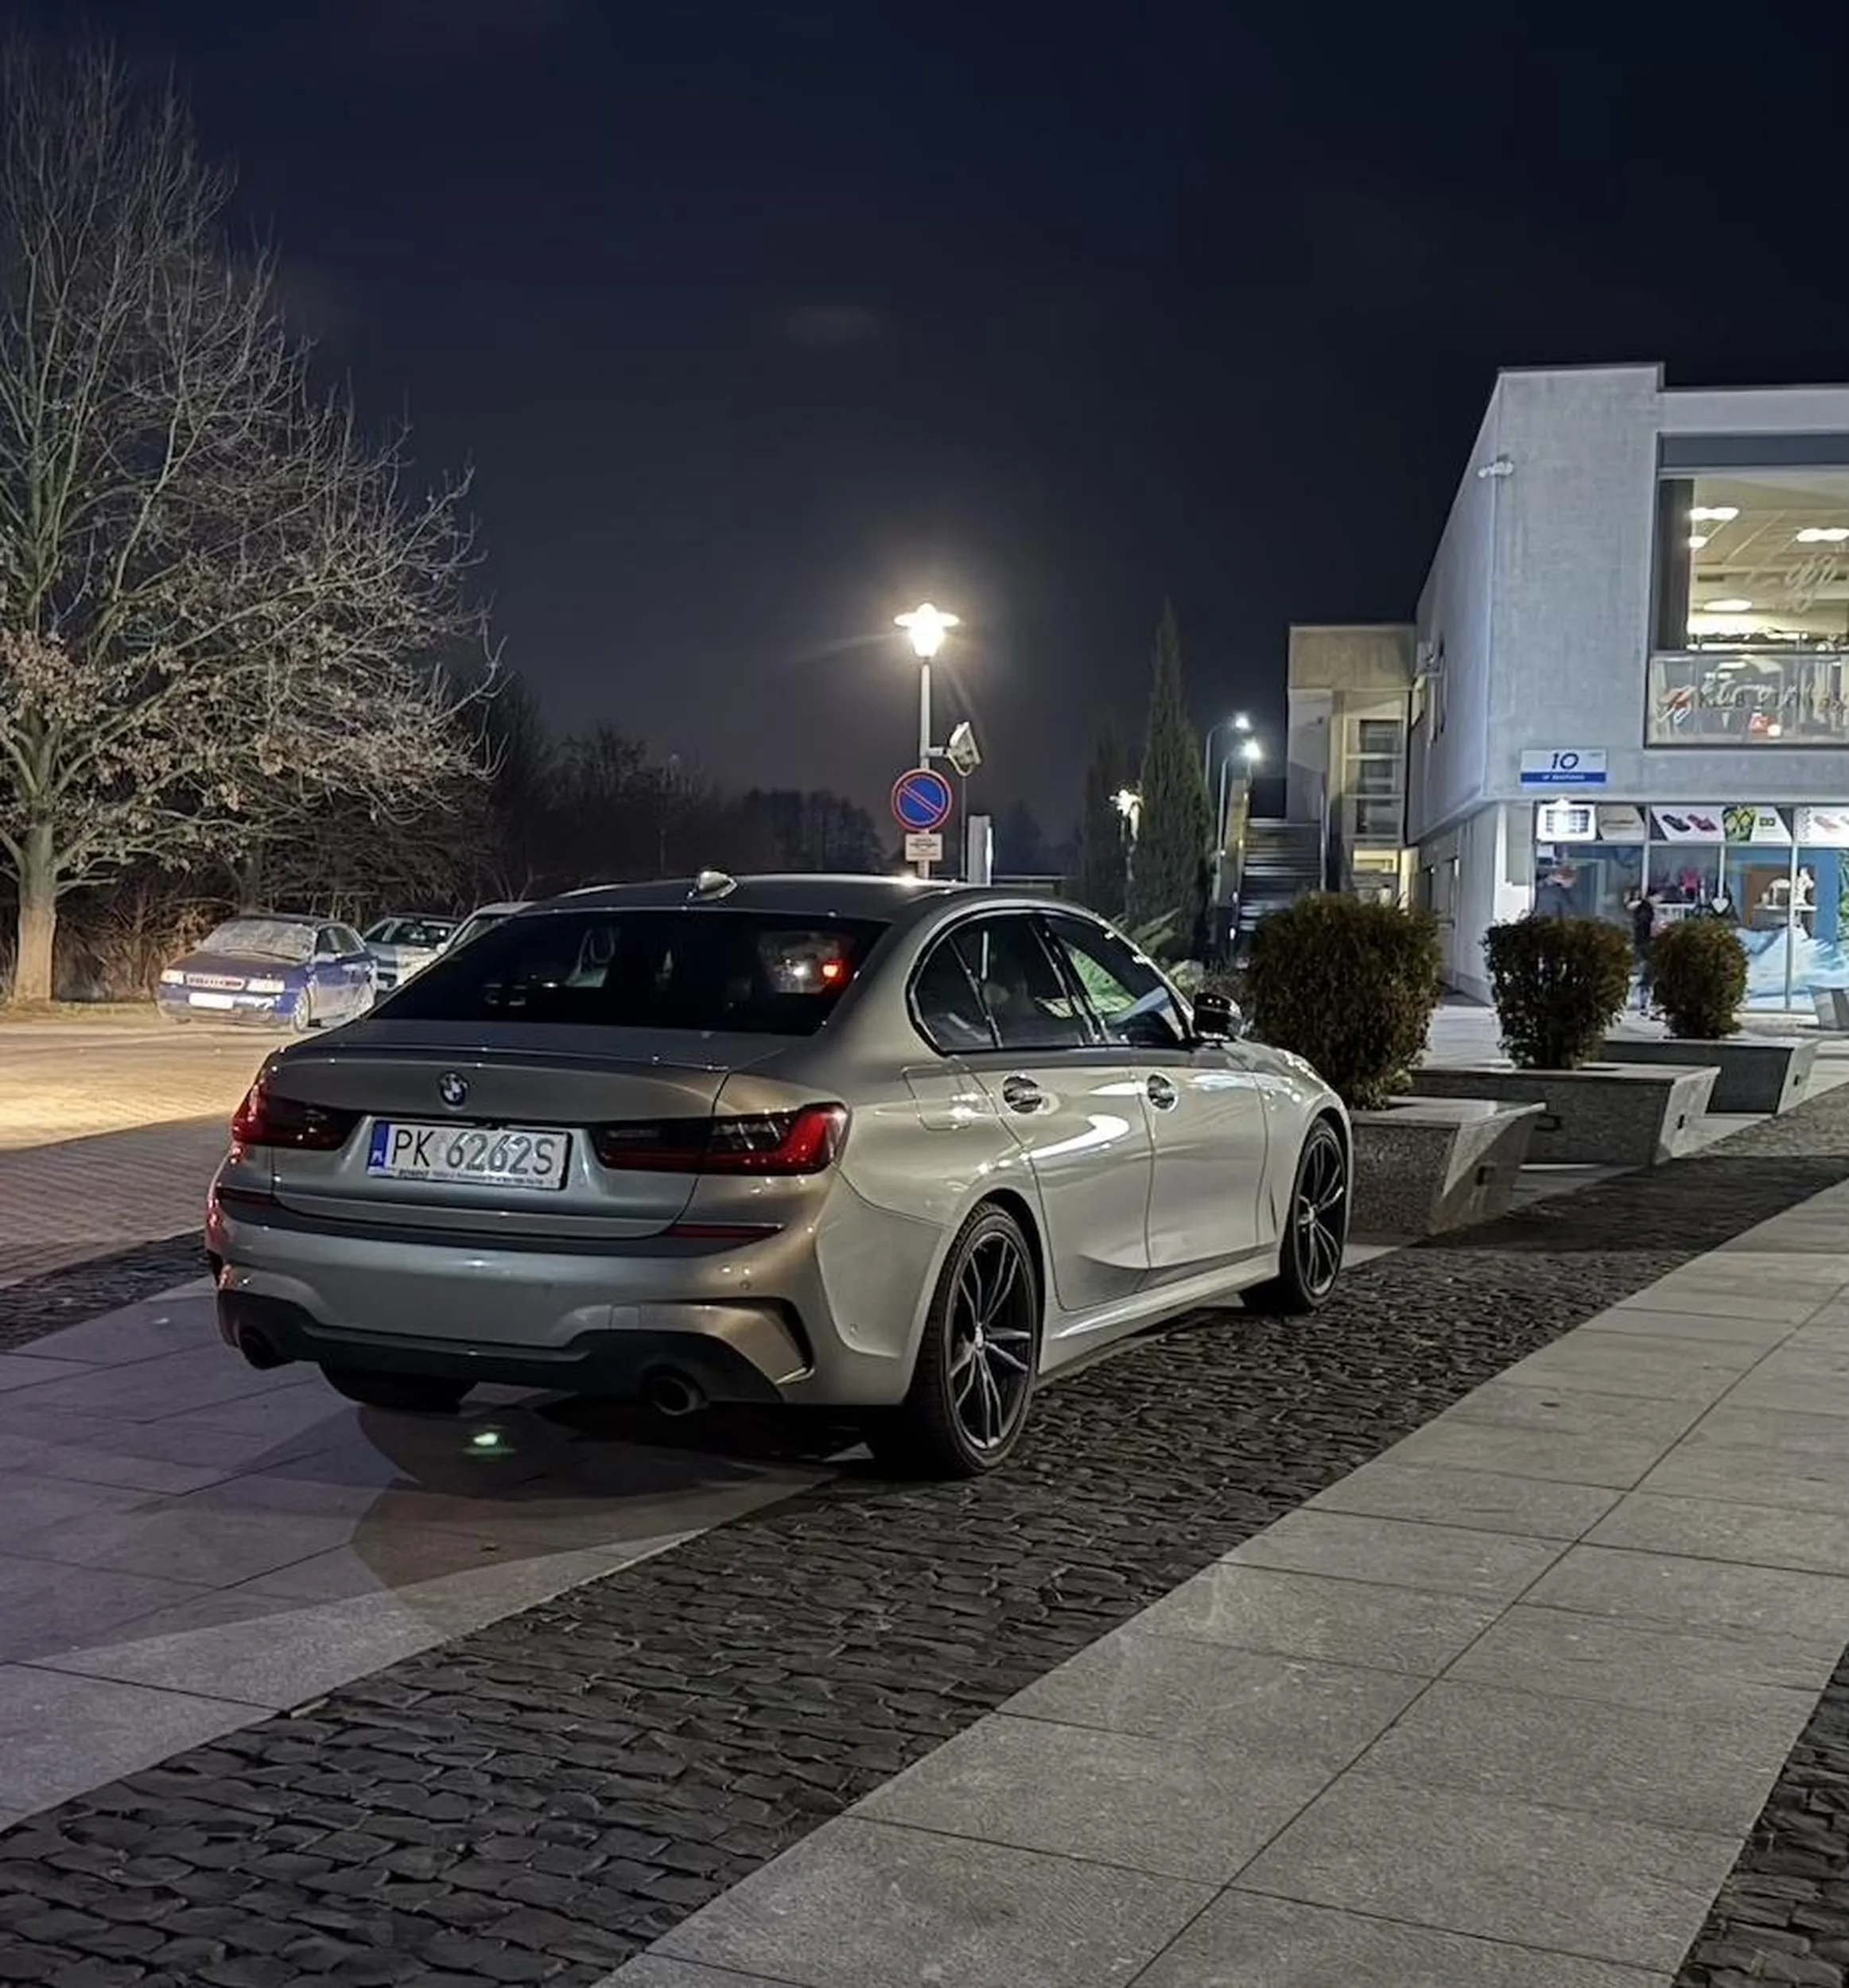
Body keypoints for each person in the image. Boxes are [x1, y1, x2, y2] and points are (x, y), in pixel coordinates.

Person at [1629, 889, 1658, 1015]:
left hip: (1642, 943)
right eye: (1657, 898)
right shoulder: (1646, 909)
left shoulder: (1643, 908)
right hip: (1644, 943)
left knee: (1645, 973)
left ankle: (1642, 1000)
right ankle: (1641, 1000)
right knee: (1646, 973)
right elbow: (1644, 926)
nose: (1659, 901)